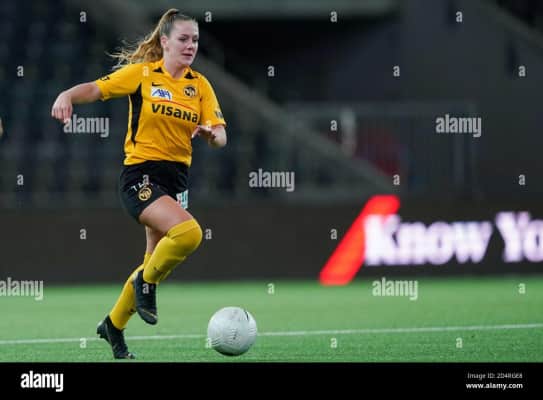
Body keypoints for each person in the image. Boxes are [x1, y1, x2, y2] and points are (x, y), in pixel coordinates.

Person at [51, 9, 227, 359]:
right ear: (165, 41)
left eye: (195, 40)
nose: (191, 45)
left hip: (176, 181)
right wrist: (67, 95)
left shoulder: (200, 85)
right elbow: (97, 89)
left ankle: (113, 326)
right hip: (141, 175)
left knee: (153, 259)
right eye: (183, 38)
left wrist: (211, 135)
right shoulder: (144, 75)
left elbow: (221, 135)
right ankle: (145, 283)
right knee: (189, 235)